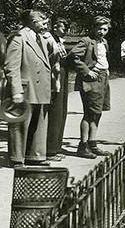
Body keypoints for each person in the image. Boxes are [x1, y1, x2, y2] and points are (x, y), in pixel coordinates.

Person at [4, 9, 52, 167]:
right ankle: (16, 158)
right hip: (25, 87)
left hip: (40, 87)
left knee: (39, 122)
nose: (46, 25)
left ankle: (35, 156)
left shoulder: (41, 38)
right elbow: (12, 66)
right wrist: (16, 90)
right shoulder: (18, 37)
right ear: (33, 22)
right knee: (20, 123)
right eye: (43, 22)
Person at [68, 16, 111, 158]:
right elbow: (74, 56)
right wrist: (87, 71)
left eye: (105, 29)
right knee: (89, 113)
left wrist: (106, 70)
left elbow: (102, 58)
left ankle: (93, 144)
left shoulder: (104, 42)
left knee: (98, 112)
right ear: (93, 28)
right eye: (99, 28)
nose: (102, 32)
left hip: (103, 78)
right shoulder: (86, 41)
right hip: (90, 80)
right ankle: (83, 146)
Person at [44, 17, 70, 161]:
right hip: (54, 78)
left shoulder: (59, 40)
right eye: (63, 29)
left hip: (62, 76)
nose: (65, 32)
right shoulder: (48, 39)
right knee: (54, 113)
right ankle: (50, 149)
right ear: (54, 27)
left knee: (61, 112)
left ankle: (57, 146)